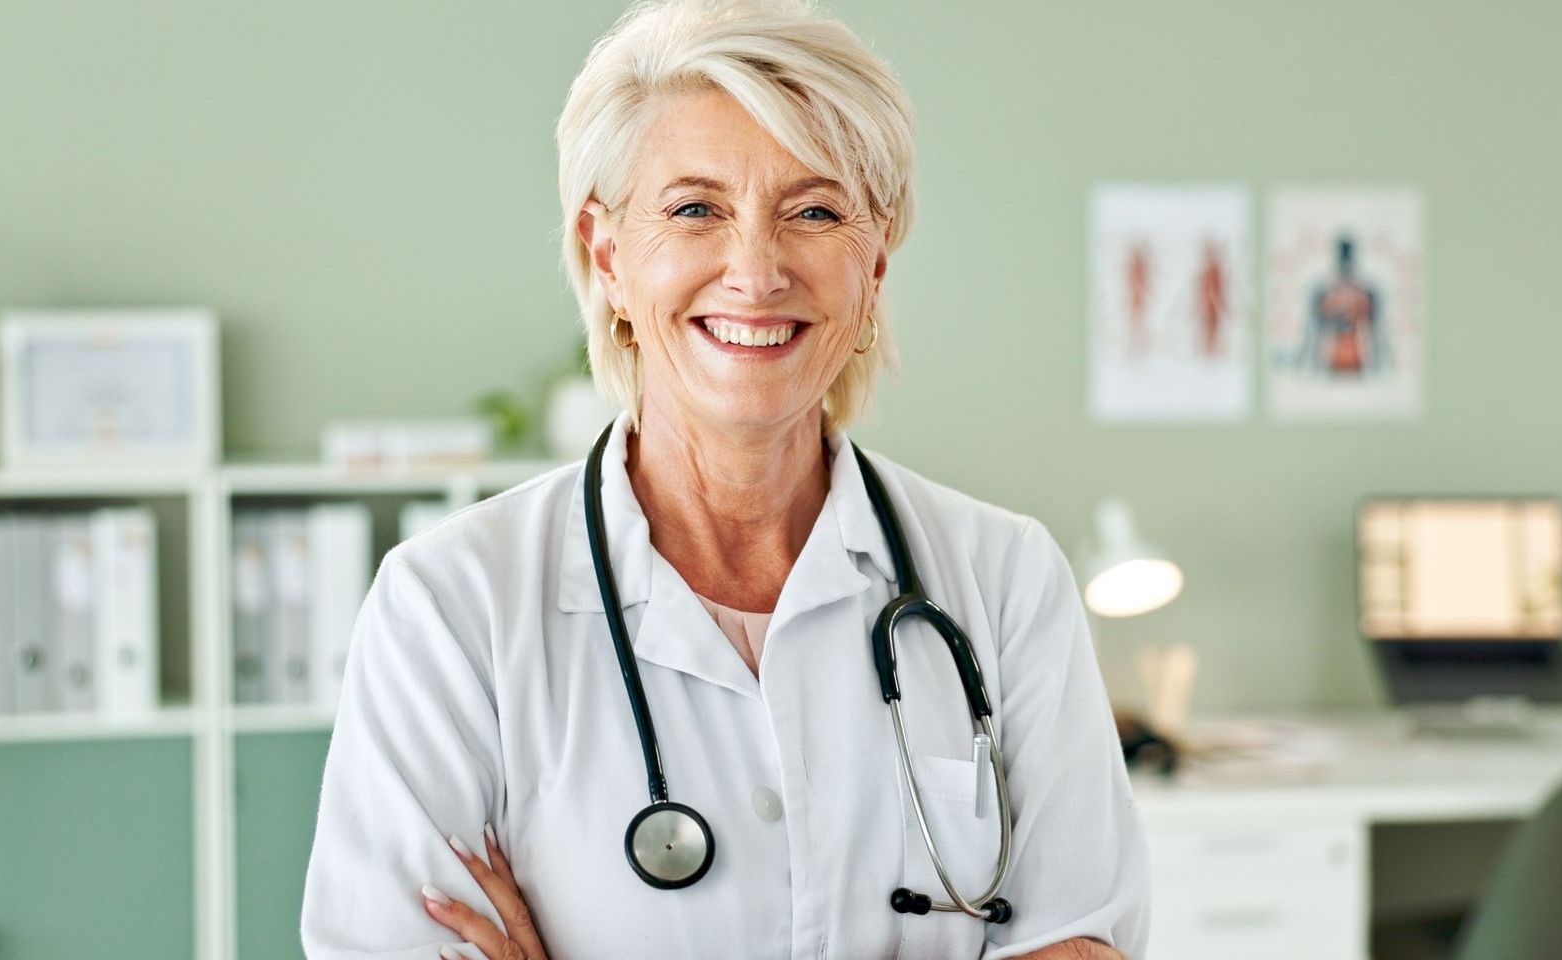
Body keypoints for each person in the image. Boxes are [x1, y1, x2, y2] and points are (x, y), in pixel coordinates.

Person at [300, 1, 1150, 957]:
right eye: (695, 208)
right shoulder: (450, 611)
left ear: (873, 263)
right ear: (608, 254)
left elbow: (1084, 941)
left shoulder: (1005, 582)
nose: (755, 272)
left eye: (814, 211)